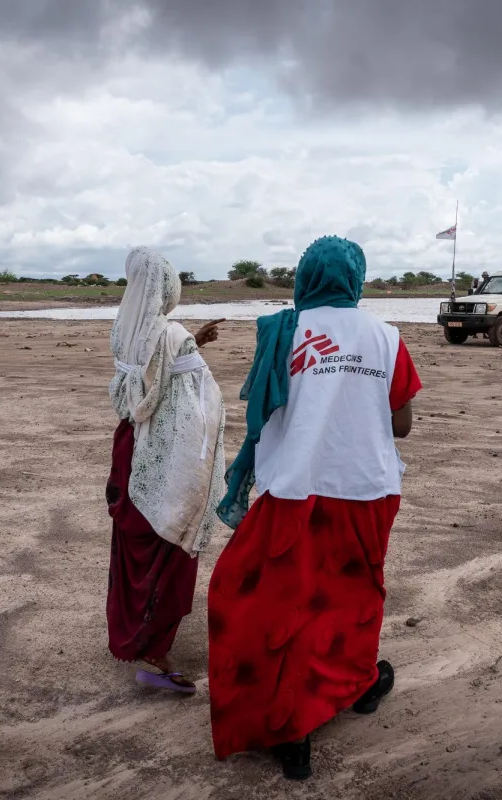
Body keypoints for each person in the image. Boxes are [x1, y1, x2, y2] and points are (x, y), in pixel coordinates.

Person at [207, 236, 422, 780]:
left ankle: (292, 726)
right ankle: (358, 683)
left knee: (282, 601)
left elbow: (263, 408)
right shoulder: (386, 337)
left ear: (305, 278)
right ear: (356, 278)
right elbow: (401, 424)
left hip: (295, 488)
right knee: (355, 592)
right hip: (366, 488)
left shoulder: (283, 331)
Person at [106, 247, 226, 693]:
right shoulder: (174, 337)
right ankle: (158, 650)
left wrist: (192, 338)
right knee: (169, 541)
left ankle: (127, 633)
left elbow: (152, 372)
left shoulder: (124, 331)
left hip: (130, 446)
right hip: (164, 451)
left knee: (133, 540)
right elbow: (201, 404)